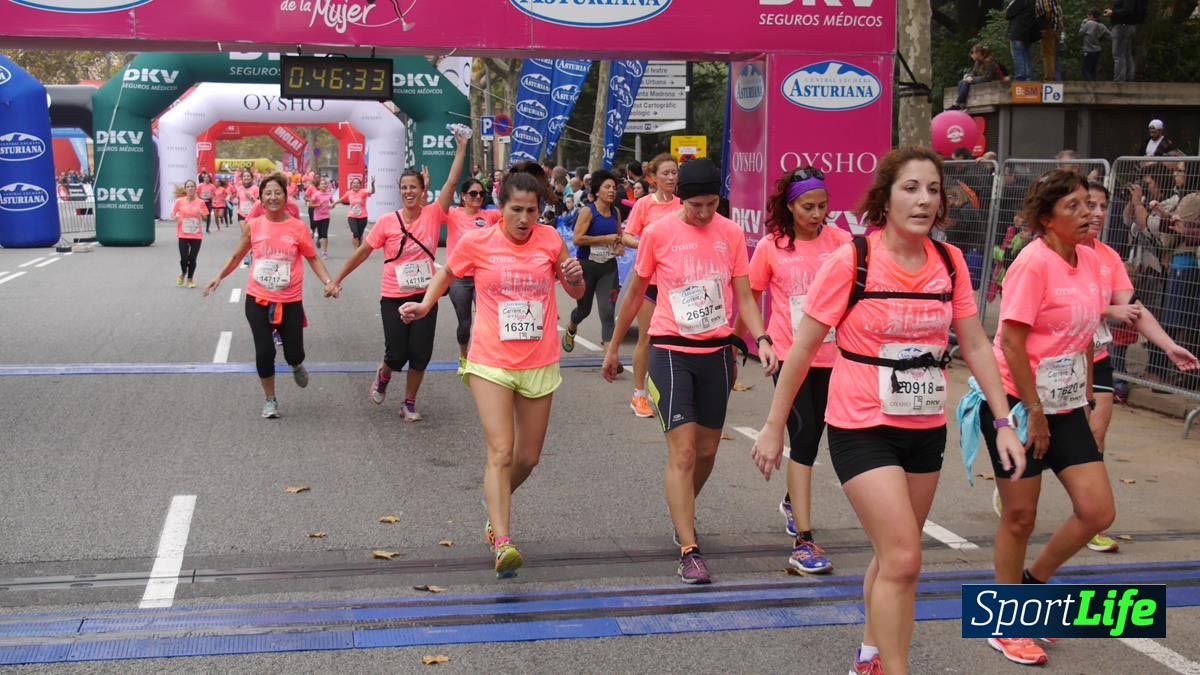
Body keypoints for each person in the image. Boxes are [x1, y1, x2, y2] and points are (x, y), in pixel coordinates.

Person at [751, 146, 1025, 675]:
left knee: (893, 554)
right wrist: (771, 426)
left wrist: (1003, 420)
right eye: (910, 188)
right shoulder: (851, 260)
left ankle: (870, 657)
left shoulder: (948, 264)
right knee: (904, 558)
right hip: (861, 425)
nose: (923, 200)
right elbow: (803, 349)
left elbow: (973, 343)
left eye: (932, 190)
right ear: (886, 197)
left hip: (923, 427)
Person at [399, 172, 585, 578]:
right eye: (515, 210)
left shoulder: (551, 240)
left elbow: (575, 291)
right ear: (499, 208)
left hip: (539, 360)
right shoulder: (478, 241)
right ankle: (503, 541)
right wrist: (426, 305)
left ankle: (493, 502)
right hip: (490, 360)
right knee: (501, 451)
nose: (523, 218)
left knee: (528, 457)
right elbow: (447, 274)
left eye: (531, 211)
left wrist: (574, 278)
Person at [604, 158, 780, 585]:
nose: (704, 213)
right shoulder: (658, 233)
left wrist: (763, 339)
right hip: (670, 351)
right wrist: (614, 347)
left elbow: (744, 294)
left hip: (717, 353)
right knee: (682, 452)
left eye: (711, 204)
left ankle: (682, 511)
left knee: (706, 452)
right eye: (696, 205)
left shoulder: (731, 233)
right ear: (681, 198)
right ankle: (689, 548)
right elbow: (634, 293)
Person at [978, 169, 1113, 667]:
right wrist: (1031, 412)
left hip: (1065, 404)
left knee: (1097, 512)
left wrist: (1082, 395)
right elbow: (1011, 341)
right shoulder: (1032, 263)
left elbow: (1087, 332)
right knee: (1019, 517)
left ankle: (1031, 586)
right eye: (1074, 206)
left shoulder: (1092, 260)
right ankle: (1004, 620)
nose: (1088, 214)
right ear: (1046, 219)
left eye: (1090, 204)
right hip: (1015, 406)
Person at [1078, 182, 1200, 554]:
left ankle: (1089, 521)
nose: (1097, 213)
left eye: (1102, 206)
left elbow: (1134, 308)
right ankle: (1015, 487)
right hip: (1050, 363)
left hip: (1096, 358)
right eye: (1088, 205)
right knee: (1044, 443)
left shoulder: (1109, 258)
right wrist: (1104, 311)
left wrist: (1169, 345)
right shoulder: (1044, 255)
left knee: (1094, 439)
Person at [747, 166, 851, 574]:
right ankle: (804, 542)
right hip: (791, 357)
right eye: (808, 206)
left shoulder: (843, 242)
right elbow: (749, 296)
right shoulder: (771, 247)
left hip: (837, 356)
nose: (817, 213)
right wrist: (762, 341)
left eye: (823, 206)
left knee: (828, 438)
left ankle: (794, 497)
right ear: (790, 206)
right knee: (804, 438)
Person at [329, 131, 469, 422]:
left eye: (413, 187)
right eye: (404, 187)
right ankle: (383, 375)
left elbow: (453, 182)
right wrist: (337, 279)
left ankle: (408, 402)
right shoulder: (386, 222)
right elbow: (363, 253)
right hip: (393, 296)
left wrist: (461, 147)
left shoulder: (433, 214)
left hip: (425, 295)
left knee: (419, 355)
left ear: (422, 191)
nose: (408, 192)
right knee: (396, 355)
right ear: (399, 191)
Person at [203, 173, 338, 419]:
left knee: (293, 351)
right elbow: (236, 257)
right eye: (268, 193)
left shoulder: (298, 228)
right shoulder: (253, 226)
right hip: (258, 297)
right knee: (265, 351)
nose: (273, 197)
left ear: (286, 198)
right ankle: (270, 399)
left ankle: (296, 364)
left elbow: (312, 258)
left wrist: (329, 282)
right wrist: (219, 276)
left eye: (278, 193)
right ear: (261, 199)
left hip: (289, 300)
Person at [620, 153, 681, 418]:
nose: (671, 177)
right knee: (646, 337)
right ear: (652, 178)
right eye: (665, 173)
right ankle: (639, 394)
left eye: (674, 173)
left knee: (675, 338)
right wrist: (649, 244)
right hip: (650, 281)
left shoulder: (682, 205)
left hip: (677, 282)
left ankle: (671, 390)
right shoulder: (644, 205)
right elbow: (626, 237)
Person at [563, 169, 624, 352]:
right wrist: (604, 239)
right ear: (597, 191)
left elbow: (618, 237)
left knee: (607, 312)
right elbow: (577, 239)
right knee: (584, 310)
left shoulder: (616, 212)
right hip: (587, 267)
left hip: (608, 268)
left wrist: (619, 246)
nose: (612, 191)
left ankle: (610, 357)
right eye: (607, 187)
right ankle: (572, 327)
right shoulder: (588, 212)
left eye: (613, 187)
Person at [445, 177, 503, 361]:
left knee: (486, 320)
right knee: (465, 323)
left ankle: (485, 357)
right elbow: (432, 211)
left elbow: (512, 216)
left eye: (481, 193)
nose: (478, 197)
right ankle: (464, 356)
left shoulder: (490, 216)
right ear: (463, 196)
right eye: (473, 193)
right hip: (459, 279)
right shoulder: (453, 214)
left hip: (482, 277)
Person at [173, 179, 209, 288]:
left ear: (195, 189)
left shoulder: (201, 202)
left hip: (196, 234)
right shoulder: (179, 201)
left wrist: (202, 214)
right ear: (185, 189)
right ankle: (183, 272)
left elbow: (205, 219)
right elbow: (173, 214)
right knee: (184, 258)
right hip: (183, 234)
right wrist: (176, 217)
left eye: (192, 186)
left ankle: (190, 279)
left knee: (192, 258)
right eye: (188, 186)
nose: (190, 188)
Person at [953, 44, 1004, 109]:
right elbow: (974, 73)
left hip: (991, 81)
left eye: (973, 53)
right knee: (962, 82)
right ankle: (961, 103)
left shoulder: (989, 61)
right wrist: (968, 76)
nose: (972, 56)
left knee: (966, 82)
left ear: (978, 53)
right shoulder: (977, 62)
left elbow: (988, 77)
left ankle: (959, 103)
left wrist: (972, 79)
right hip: (983, 79)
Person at [1106, 0, 1145, 81]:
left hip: (1122, 26)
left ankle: (1119, 80)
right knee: (1126, 53)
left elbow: (1127, 10)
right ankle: (1129, 78)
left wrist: (1113, 13)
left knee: (1118, 54)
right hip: (1129, 26)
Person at [340, 175, 376, 249]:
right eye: (354, 183)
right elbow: (341, 199)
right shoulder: (349, 193)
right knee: (355, 233)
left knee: (359, 235)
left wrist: (372, 184)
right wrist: (333, 204)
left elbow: (372, 192)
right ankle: (356, 251)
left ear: (360, 185)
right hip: (352, 216)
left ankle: (359, 247)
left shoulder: (363, 192)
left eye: (357, 183)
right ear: (351, 185)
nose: (355, 185)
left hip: (363, 217)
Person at [1005, 0, 1037, 81]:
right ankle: (1029, 77)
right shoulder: (1033, 2)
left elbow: (1008, 13)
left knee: (1018, 55)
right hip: (1027, 34)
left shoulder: (1019, 1)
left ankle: (1021, 77)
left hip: (1016, 33)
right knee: (1026, 55)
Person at [305, 176, 334, 260]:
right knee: (321, 234)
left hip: (326, 216)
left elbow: (332, 203)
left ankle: (324, 252)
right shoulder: (316, 194)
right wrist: (318, 205)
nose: (324, 185)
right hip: (317, 216)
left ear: (327, 186)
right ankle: (319, 239)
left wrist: (332, 205)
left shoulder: (329, 194)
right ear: (319, 186)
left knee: (325, 234)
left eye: (325, 184)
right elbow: (310, 204)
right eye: (322, 184)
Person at [1034, 0, 1064, 81]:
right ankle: (1058, 79)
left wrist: (1043, 27)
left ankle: (1049, 79)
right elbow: (1060, 15)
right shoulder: (1056, 2)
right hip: (1057, 29)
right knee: (1055, 56)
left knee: (1047, 55)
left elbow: (1044, 12)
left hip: (1048, 29)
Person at [1080, 9, 1111, 81]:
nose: (1087, 17)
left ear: (1092, 16)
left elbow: (1080, 33)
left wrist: (1083, 22)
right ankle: (1094, 86)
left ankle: (1091, 86)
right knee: (1093, 70)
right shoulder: (1102, 26)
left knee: (1085, 70)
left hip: (1088, 50)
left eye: (1088, 15)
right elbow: (1110, 36)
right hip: (1097, 50)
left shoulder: (1088, 23)